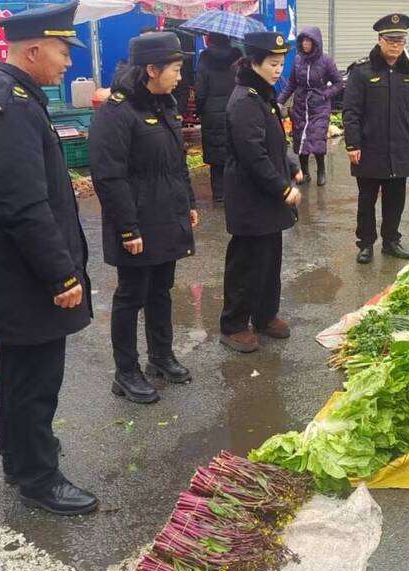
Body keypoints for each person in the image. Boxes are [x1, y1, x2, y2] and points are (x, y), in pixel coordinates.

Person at [0, 1, 98, 516]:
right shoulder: (9, 107)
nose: (68, 62)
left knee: (20, 371)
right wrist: (59, 274)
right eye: (62, 50)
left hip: (13, 272)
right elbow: (24, 204)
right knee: (35, 377)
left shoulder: (9, 97)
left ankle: (21, 455)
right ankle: (38, 476)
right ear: (32, 50)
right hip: (26, 276)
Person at [91, 33, 197, 404]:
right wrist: (127, 228)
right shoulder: (116, 112)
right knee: (130, 295)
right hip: (136, 221)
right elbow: (109, 176)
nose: (180, 77)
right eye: (176, 69)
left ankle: (161, 356)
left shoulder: (164, 103)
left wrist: (188, 202)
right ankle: (126, 371)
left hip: (167, 215)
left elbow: (176, 161)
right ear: (152, 69)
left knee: (160, 291)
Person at [219, 31, 304, 353]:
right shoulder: (244, 100)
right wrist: (283, 188)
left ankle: (265, 316)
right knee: (246, 263)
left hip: (268, 195)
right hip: (251, 196)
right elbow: (252, 154)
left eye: (281, 63)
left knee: (270, 260)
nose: (278, 70)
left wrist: (292, 163)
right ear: (254, 62)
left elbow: (275, 143)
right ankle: (234, 324)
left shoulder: (264, 95)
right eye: (272, 63)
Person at [343, 13, 409, 263]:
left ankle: (391, 241)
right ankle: (366, 243)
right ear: (379, 39)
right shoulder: (361, 72)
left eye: (400, 41)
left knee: (395, 200)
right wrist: (352, 144)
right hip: (369, 148)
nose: (395, 45)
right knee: (366, 201)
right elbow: (351, 112)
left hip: (399, 147)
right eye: (390, 40)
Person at [278, 26, 342, 187]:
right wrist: (279, 101)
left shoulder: (326, 61)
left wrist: (324, 95)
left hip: (319, 105)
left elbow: (339, 83)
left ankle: (321, 170)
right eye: (303, 41)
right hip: (300, 105)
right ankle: (305, 172)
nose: (305, 44)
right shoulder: (298, 60)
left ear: (315, 42)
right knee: (300, 138)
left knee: (317, 137)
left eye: (308, 41)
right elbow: (291, 83)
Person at [195, 32, 240, 202]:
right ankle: (233, 189)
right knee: (233, 149)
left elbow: (200, 88)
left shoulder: (205, 58)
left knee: (215, 153)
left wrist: (200, 110)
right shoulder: (237, 57)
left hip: (211, 112)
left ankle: (219, 194)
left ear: (210, 41)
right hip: (234, 108)